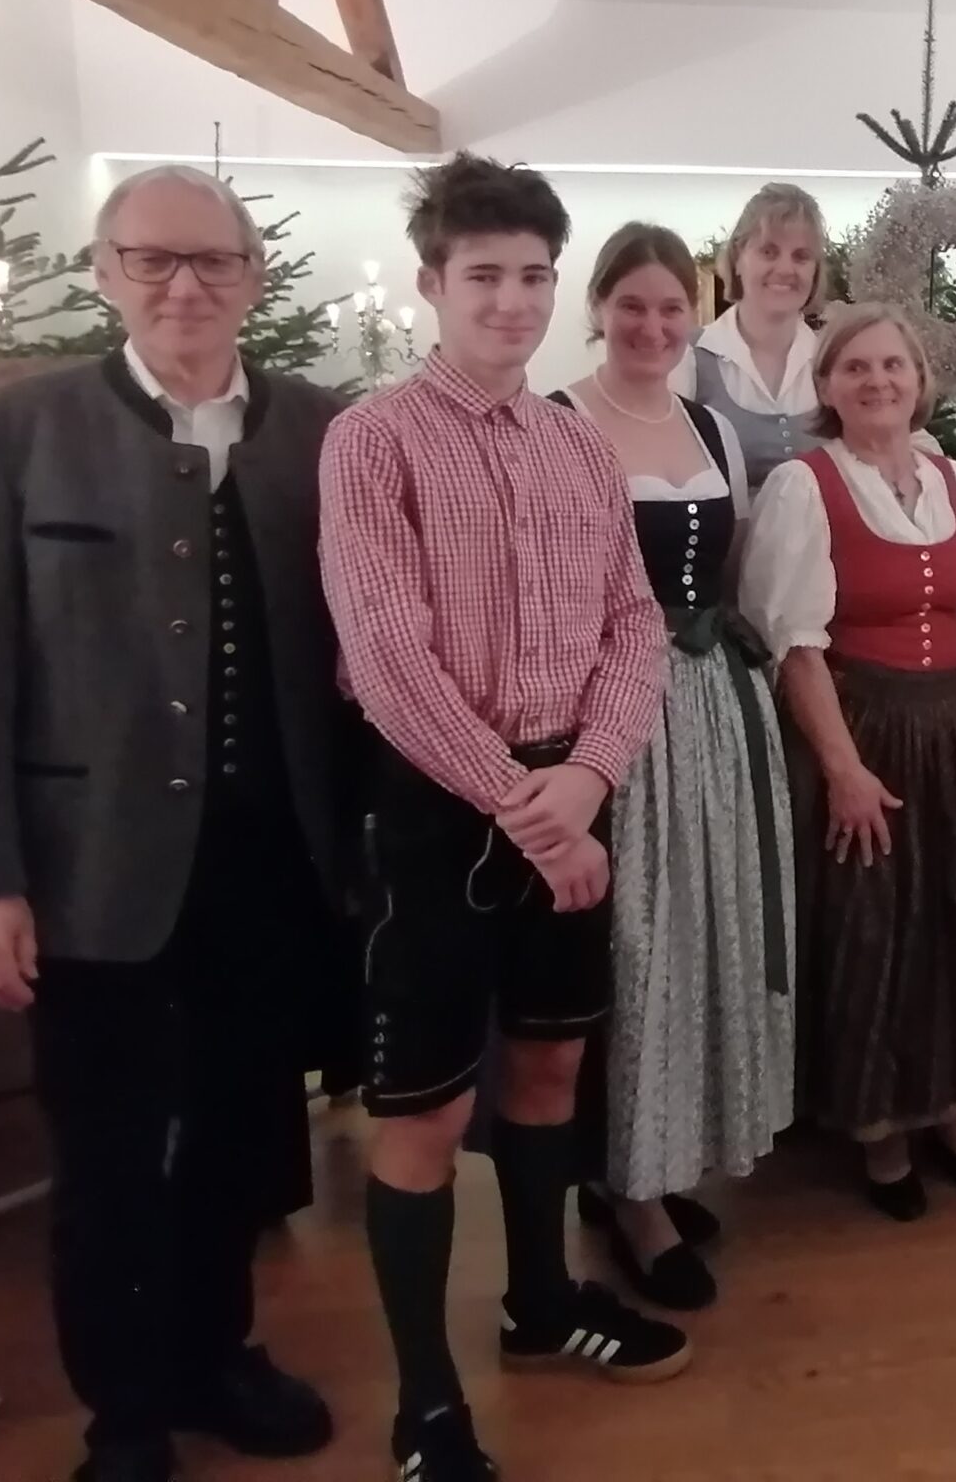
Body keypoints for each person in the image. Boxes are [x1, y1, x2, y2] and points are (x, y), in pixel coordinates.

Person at [0, 167, 351, 1482]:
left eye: (212, 261)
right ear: (105, 271)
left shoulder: (323, 430)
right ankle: (123, 1413)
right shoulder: (13, 433)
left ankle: (217, 1355)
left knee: (239, 1134)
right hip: (89, 869)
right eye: (153, 259)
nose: (184, 286)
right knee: (106, 1155)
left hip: (268, 861)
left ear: (251, 279)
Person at [320, 155, 686, 1482]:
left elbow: (634, 625)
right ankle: (425, 1405)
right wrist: (532, 811)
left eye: (534, 276)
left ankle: (541, 1304)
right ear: (432, 282)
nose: (512, 301)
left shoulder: (578, 442)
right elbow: (385, 657)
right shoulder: (372, 441)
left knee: (549, 1066)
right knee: (421, 1113)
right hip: (436, 810)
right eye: (484, 276)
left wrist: (587, 780)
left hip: (571, 795)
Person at [743, 306, 956, 1219]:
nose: (877, 381)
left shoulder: (955, 481)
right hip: (863, 728)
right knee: (875, 927)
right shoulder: (805, 487)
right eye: (855, 368)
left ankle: (955, 1112)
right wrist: (842, 769)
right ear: (827, 386)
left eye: (892, 365)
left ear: (920, 380)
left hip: (953, 726)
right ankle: (880, 1130)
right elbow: (796, 646)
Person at [551, 223, 795, 1313]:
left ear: (694, 316)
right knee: (637, 948)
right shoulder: (557, 423)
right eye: (631, 305)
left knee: (704, 935)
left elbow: (729, 573)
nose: (651, 326)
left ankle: (657, 1160)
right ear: (598, 309)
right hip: (612, 717)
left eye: (669, 308)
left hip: (711, 708)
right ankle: (631, 1195)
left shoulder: (710, 427)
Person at [673, 181, 830, 487]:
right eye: (769, 252)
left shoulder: (831, 360)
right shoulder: (688, 358)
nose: (785, 269)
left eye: (801, 256)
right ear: (738, 258)